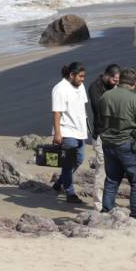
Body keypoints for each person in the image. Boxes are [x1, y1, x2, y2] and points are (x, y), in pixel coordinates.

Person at [98, 68, 136, 220]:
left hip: (108, 143)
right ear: (134, 83)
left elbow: (101, 117)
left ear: (120, 80)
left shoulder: (106, 96)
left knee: (111, 179)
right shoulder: (135, 99)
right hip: (128, 144)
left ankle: (106, 212)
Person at [51, 62, 87, 204]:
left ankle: (59, 183)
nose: (83, 79)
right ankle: (70, 193)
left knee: (79, 160)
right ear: (71, 75)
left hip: (80, 131)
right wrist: (58, 133)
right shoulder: (60, 89)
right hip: (66, 131)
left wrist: (87, 128)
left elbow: (82, 109)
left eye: (84, 76)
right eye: (80, 76)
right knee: (68, 163)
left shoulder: (80, 86)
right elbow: (57, 113)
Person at [88, 64, 120, 211]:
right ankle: (98, 204)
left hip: (114, 135)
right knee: (101, 169)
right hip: (101, 134)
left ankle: (109, 201)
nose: (116, 83)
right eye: (114, 80)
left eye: (118, 81)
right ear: (107, 75)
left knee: (113, 169)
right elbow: (99, 108)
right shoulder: (95, 87)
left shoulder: (115, 88)